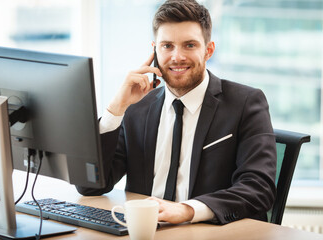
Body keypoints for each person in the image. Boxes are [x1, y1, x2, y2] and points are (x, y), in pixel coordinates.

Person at [76, 0, 276, 225]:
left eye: (189, 45)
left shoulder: (245, 103)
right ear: (154, 49)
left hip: (208, 232)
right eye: (167, 46)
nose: (177, 57)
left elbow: (259, 188)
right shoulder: (137, 107)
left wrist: (187, 210)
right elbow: (90, 186)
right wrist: (116, 108)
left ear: (208, 50)